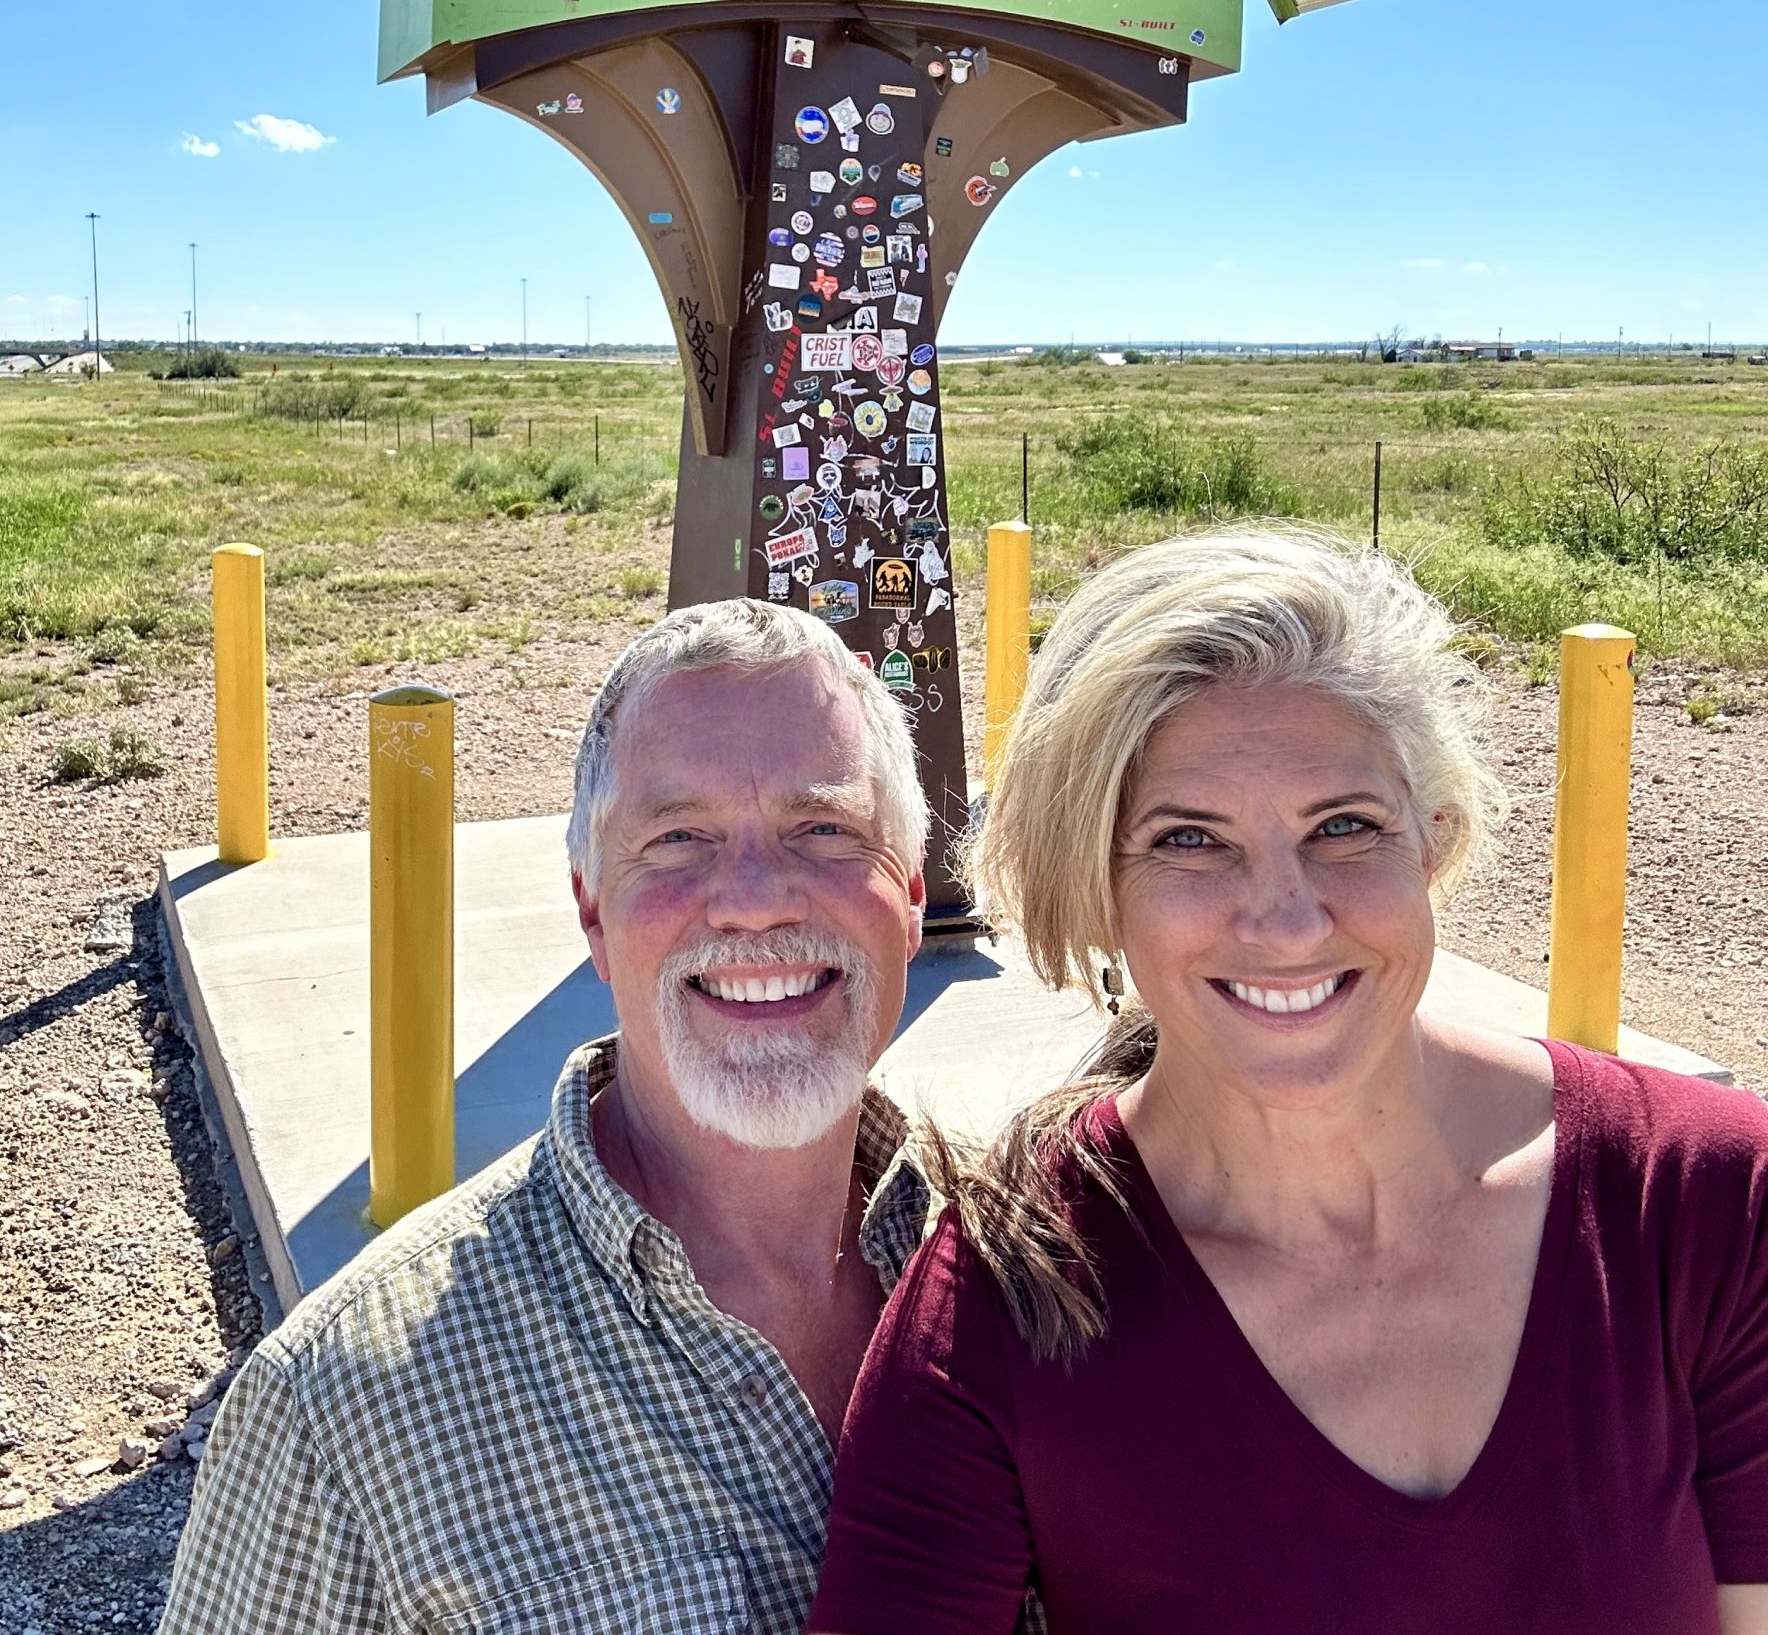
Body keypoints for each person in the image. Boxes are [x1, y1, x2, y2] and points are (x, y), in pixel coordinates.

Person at [812, 527, 1768, 1635]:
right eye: (1189, 840)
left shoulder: (1700, 1199)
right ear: (1095, 886)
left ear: (1433, 841)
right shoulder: (1004, 1307)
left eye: (1344, 826)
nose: (1285, 917)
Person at [160, 598, 932, 1633]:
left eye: (824, 828)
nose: (755, 899)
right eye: (678, 838)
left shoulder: (1051, 1265)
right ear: (590, 911)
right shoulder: (340, 1413)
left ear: (915, 892)